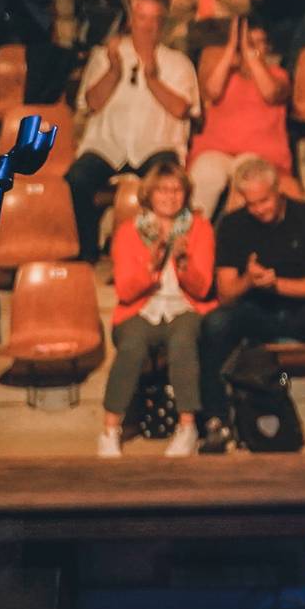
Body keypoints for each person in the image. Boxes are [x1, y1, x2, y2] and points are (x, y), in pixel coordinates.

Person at [201, 156, 305, 453]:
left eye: (264, 201)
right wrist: (249, 280)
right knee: (214, 324)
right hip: (255, 310)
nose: (259, 210)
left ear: (278, 190)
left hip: (304, 307)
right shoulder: (233, 225)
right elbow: (226, 293)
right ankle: (216, 422)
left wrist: (277, 285)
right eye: (251, 204)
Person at [68, 0, 200, 263]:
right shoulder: (106, 55)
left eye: (155, 19)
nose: (148, 25)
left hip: (156, 146)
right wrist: (114, 72)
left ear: (162, 25)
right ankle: (87, 254)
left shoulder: (178, 62)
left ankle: (157, 254)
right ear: (131, 21)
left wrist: (153, 78)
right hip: (108, 145)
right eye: (142, 18)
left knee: (167, 182)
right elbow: (91, 102)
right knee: (76, 179)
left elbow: (181, 109)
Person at [100, 163, 214, 457]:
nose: (170, 196)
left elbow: (202, 289)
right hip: (141, 308)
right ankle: (110, 431)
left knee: (183, 341)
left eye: (177, 190)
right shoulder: (128, 232)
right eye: (163, 190)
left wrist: (183, 261)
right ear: (149, 194)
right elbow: (126, 290)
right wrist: (152, 263)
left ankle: (187, 427)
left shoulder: (200, 229)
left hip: (184, 307)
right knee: (132, 345)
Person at [187, 17, 294, 220]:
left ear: (268, 47)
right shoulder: (225, 74)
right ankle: (192, 238)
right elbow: (211, 91)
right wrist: (230, 50)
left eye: (258, 42)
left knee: (248, 175)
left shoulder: (277, 75)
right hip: (215, 151)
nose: (250, 47)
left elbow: (271, 93)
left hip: (257, 153)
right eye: (246, 42)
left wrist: (249, 53)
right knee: (206, 174)